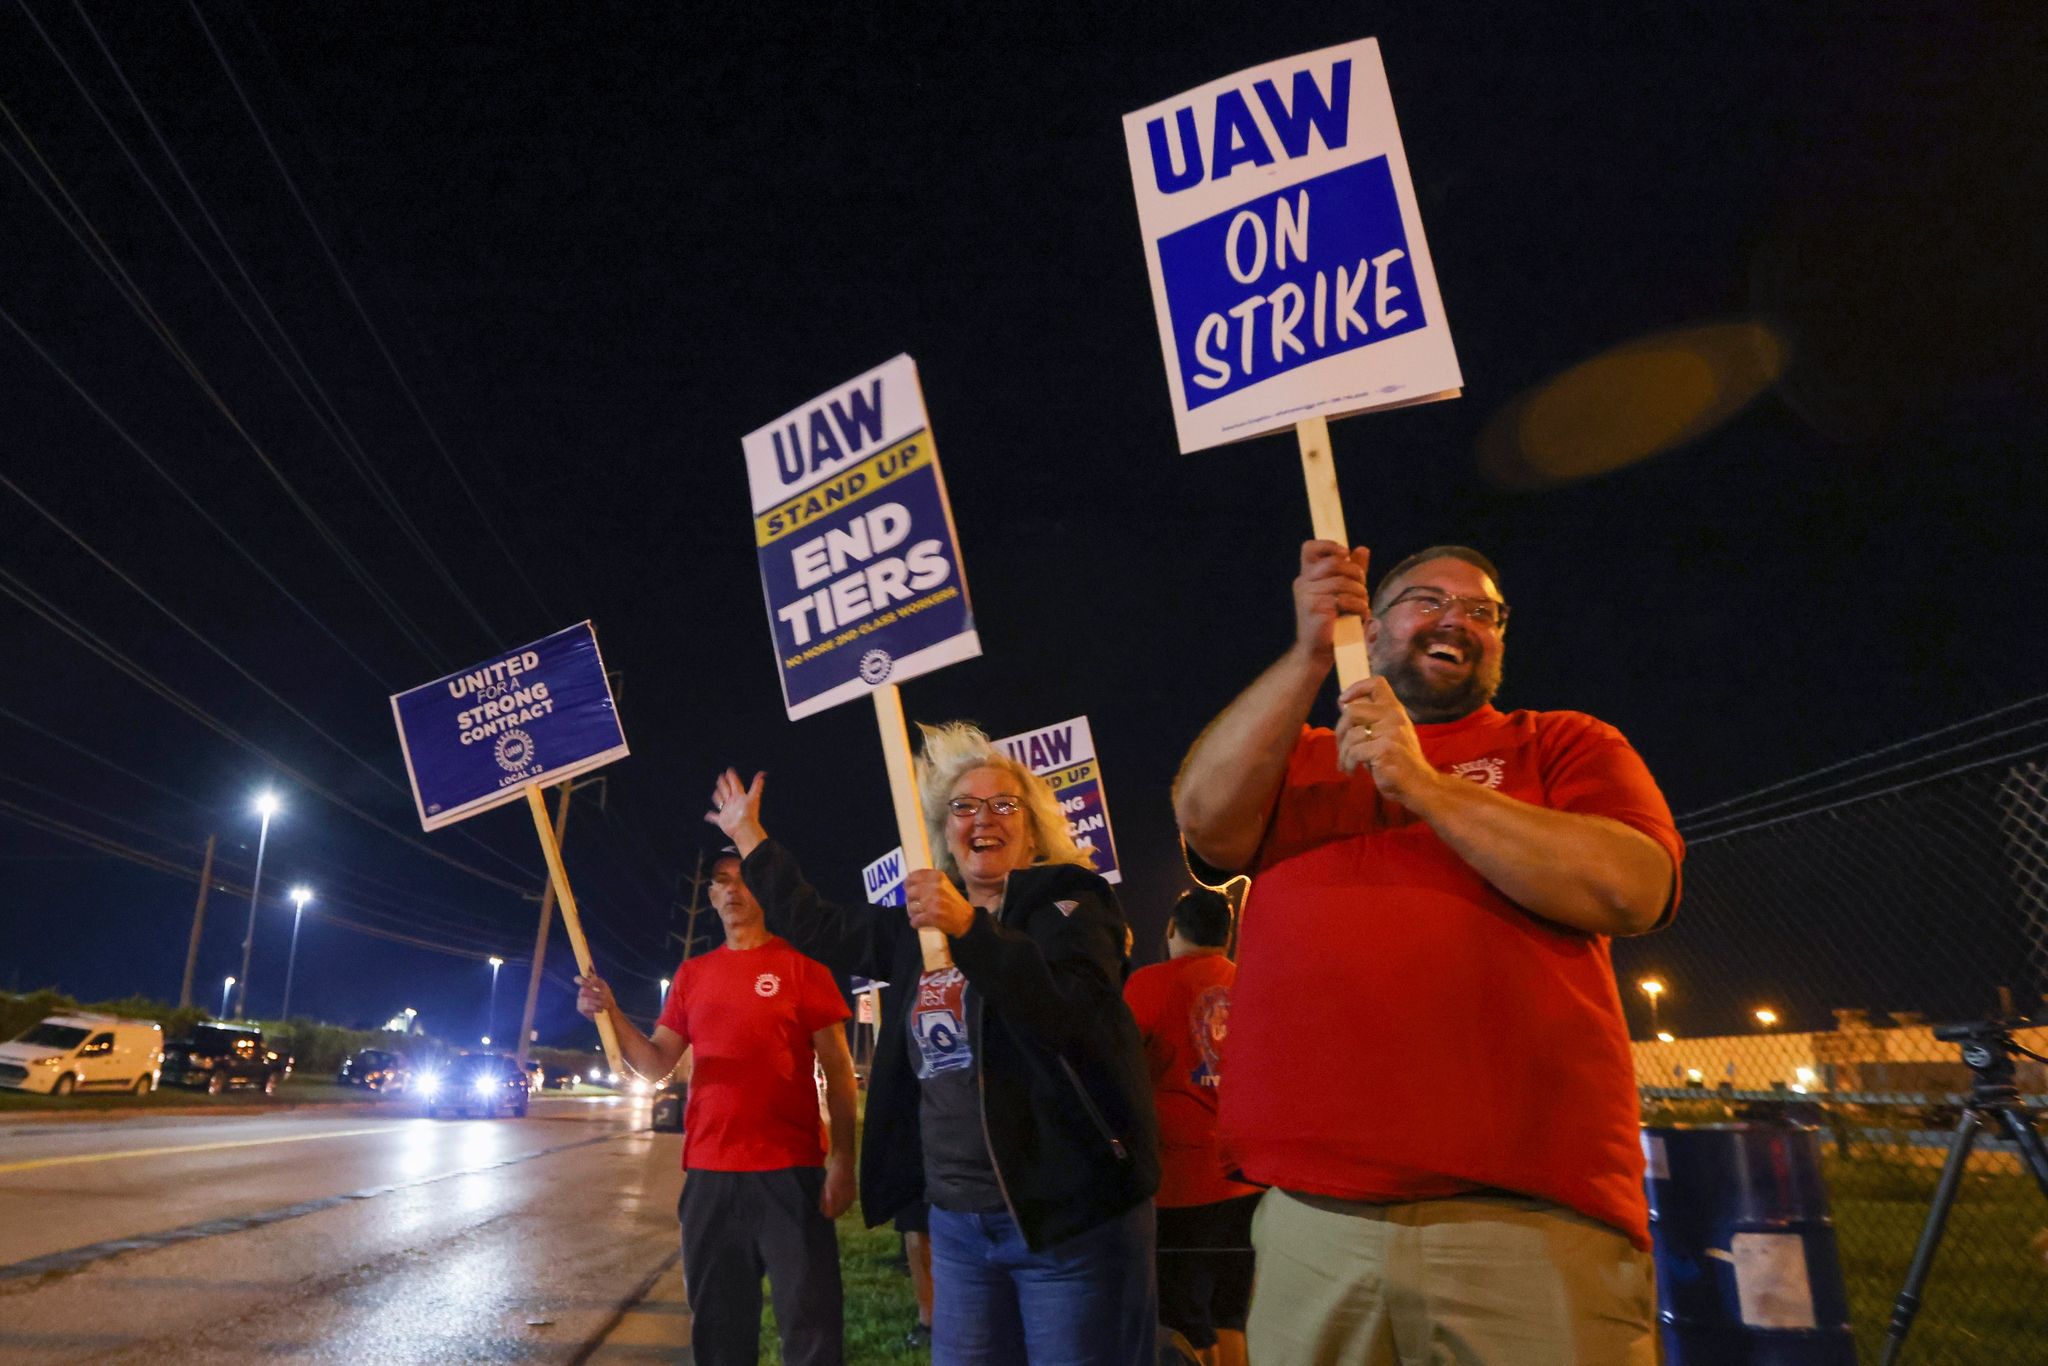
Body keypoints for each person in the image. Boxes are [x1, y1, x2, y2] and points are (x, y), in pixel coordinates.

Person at [1174, 541, 1684, 1366]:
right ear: (1369, 630)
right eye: (1426, 600)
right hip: (1314, 1222)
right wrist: (1308, 651)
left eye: (1482, 610)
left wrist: (1425, 784)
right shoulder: (1299, 760)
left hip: (1526, 1225)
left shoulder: (1561, 744)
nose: (1456, 619)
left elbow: (1633, 887)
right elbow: (1204, 818)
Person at [706, 720, 1160, 1365]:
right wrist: (748, 837)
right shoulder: (919, 934)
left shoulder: (1074, 905)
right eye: (963, 807)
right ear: (942, 830)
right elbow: (819, 924)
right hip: (958, 1228)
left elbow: (1071, 1012)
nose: (984, 818)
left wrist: (971, 928)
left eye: (1004, 805)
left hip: (1066, 1222)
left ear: (1032, 828)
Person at [576, 847, 857, 1366]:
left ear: (764, 889)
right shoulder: (693, 975)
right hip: (710, 1177)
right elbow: (658, 1063)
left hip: (790, 1174)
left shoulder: (803, 969)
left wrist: (843, 1160)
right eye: (720, 881)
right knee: (719, 1330)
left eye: (744, 879)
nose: (731, 889)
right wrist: (611, 1013)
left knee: (811, 1324)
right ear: (709, 895)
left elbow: (839, 1073)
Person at [1122, 887, 1259, 1366]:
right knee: (1230, 1311)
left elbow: (1121, 1067)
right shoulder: (1252, 985)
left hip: (1180, 1183)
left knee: (1182, 1317)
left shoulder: (1148, 984)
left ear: (1172, 929)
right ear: (1227, 935)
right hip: (1246, 1182)